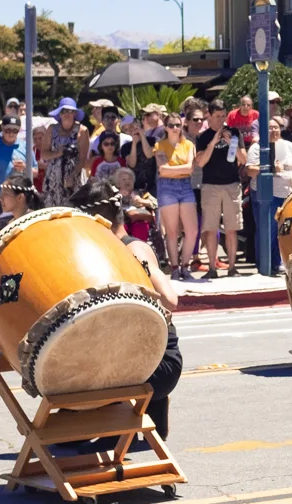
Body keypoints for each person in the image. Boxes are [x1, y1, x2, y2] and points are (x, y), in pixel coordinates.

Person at [72, 180, 183, 436]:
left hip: (157, 362)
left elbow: (169, 299)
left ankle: (130, 426)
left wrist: (137, 272)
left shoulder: (133, 250)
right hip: (135, 357)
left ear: (99, 221)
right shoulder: (106, 250)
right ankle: (144, 418)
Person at [193, 100, 245, 278]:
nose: (221, 120)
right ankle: (212, 269)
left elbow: (243, 159)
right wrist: (214, 142)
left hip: (231, 184)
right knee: (210, 227)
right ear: (209, 115)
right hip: (210, 185)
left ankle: (232, 268)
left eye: (224, 116)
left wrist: (233, 143)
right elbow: (200, 162)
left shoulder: (235, 132)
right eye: (217, 116)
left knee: (232, 228)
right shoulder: (203, 136)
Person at [153, 117, 199, 280]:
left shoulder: (189, 144)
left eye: (178, 125)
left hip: (185, 186)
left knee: (192, 231)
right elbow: (162, 170)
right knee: (172, 232)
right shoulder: (160, 145)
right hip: (167, 187)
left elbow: (189, 169)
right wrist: (180, 169)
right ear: (165, 127)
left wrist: (171, 169)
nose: (174, 128)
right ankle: (174, 267)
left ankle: (185, 266)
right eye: (171, 125)